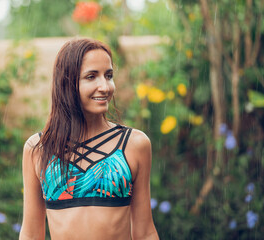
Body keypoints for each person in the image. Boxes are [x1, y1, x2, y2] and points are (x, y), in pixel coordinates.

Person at [19, 38, 159, 240]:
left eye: (108, 75)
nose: (105, 86)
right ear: (67, 83)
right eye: (91, 76)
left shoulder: (134, 144)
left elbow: (145, 232)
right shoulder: (39, 148)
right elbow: (31, 235)